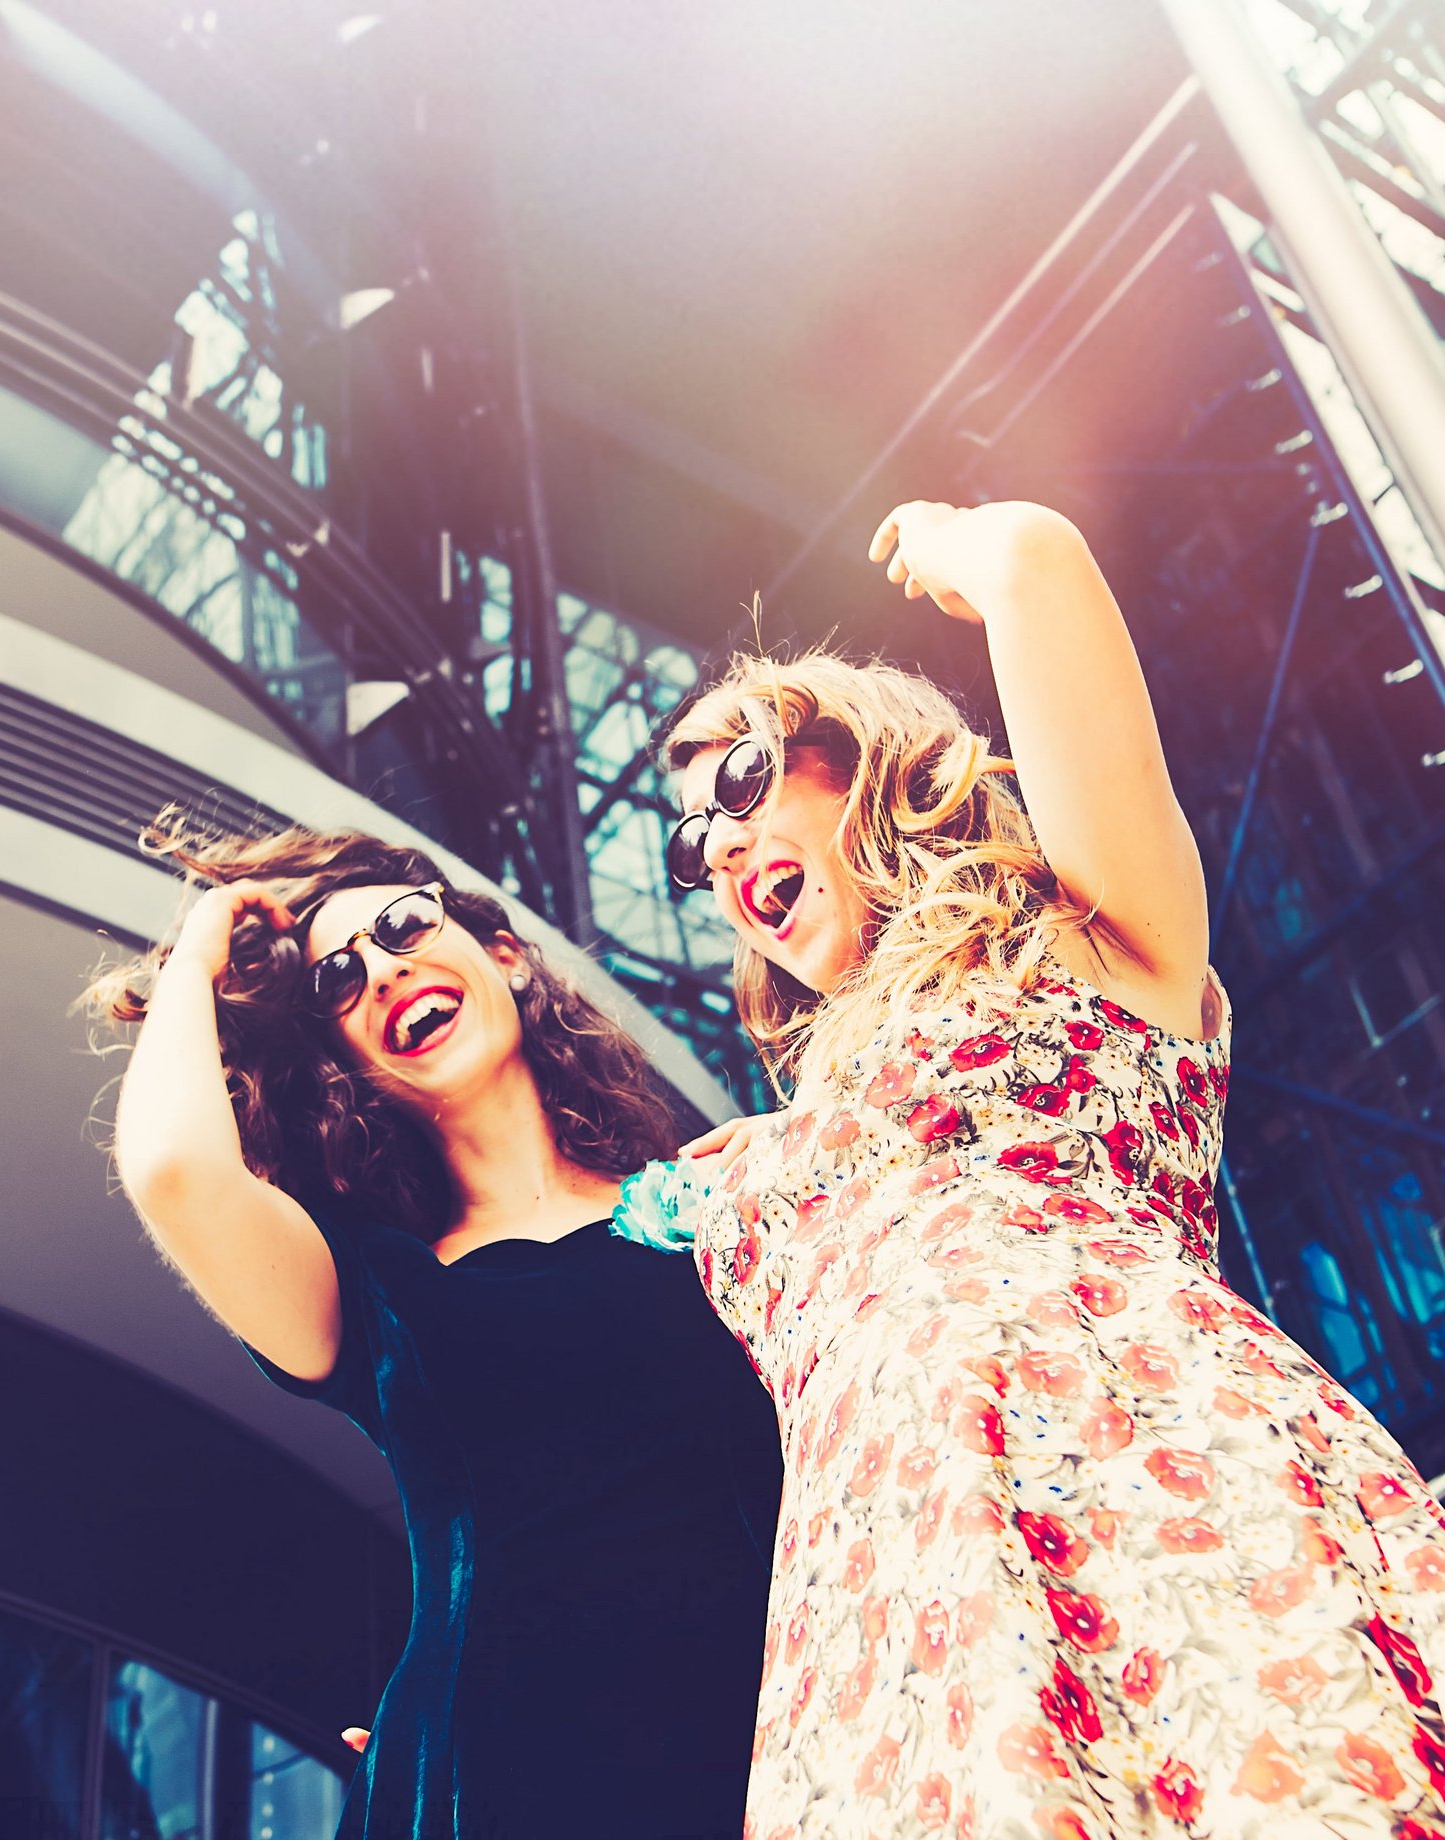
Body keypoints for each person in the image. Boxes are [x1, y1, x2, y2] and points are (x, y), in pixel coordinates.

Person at [665, 498, 1445, 1840]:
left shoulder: (1080, 947)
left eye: (739, 783)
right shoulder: (742, 1171)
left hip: (1160, 1493)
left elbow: (1039, 564)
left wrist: (965, 542)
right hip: (897, 1622)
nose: (721, 848)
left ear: (861, 759)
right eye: (693, 846)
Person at [86, 819, 782, 1840]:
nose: (379, 970)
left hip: (760, 1751)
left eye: (405, 925)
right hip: (489, 1779)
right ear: (347, 1067)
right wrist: (199, 950)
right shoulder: (372, 1286)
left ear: (502, 954)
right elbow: (175, 1171)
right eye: (336, 980)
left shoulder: (712, 1203)